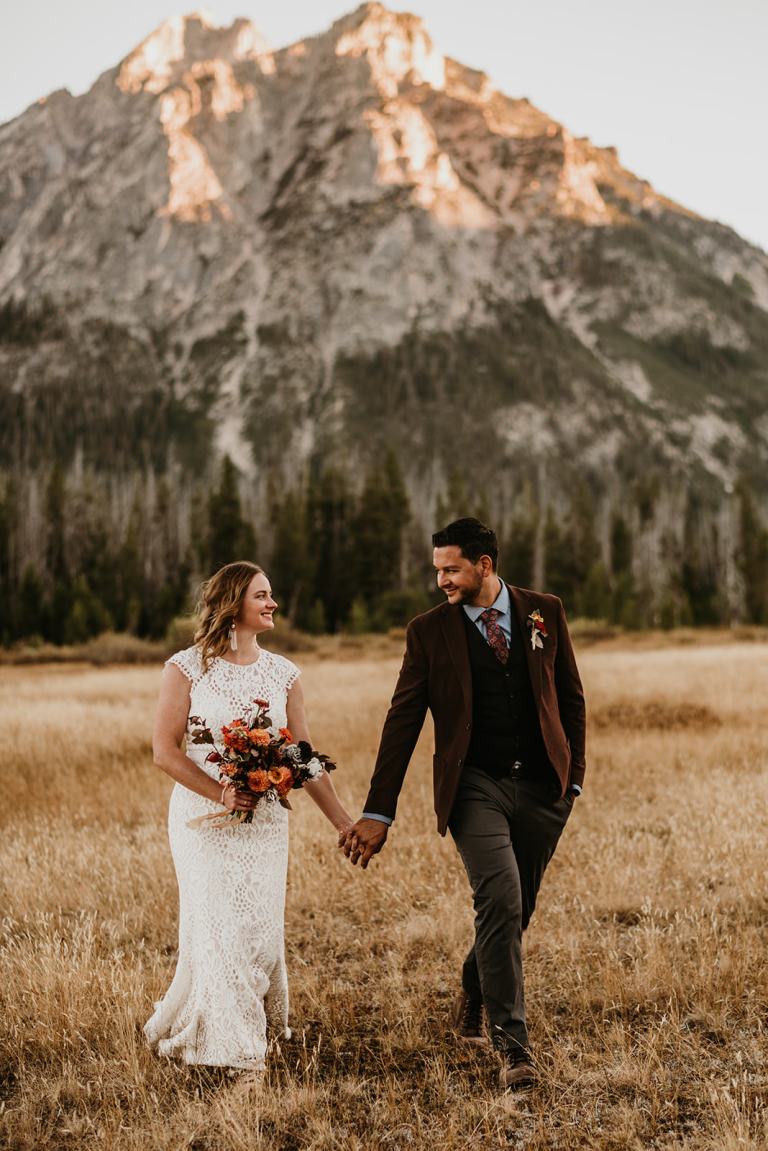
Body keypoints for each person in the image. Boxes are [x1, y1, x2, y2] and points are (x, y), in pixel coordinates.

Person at [339, 518, 586, 1090]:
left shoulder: (543, 610)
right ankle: (514, 1048)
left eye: (451, 569)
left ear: (485, 565)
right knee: (498, 896)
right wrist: (379, 810)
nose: (441, 581)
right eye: (437, 571)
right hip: (474, 787)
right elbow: (402, 721)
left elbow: (570, 695)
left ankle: (475, 979)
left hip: (545, 790)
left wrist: (573, 778)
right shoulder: (428, 632)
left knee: (515, 910)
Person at [145, 561, 352, 1073]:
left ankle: (245, 1021)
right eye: (262, 595)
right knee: (217, 925)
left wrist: (344, 823)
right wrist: (220, 792)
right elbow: (164, 751)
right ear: (233, 602)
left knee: (257, 929)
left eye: (272, 594)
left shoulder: (284, 674)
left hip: (263, 822)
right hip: (201, 820)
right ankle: (238, 1054)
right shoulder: (187, 667)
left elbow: (302, 756)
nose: (272, 603)